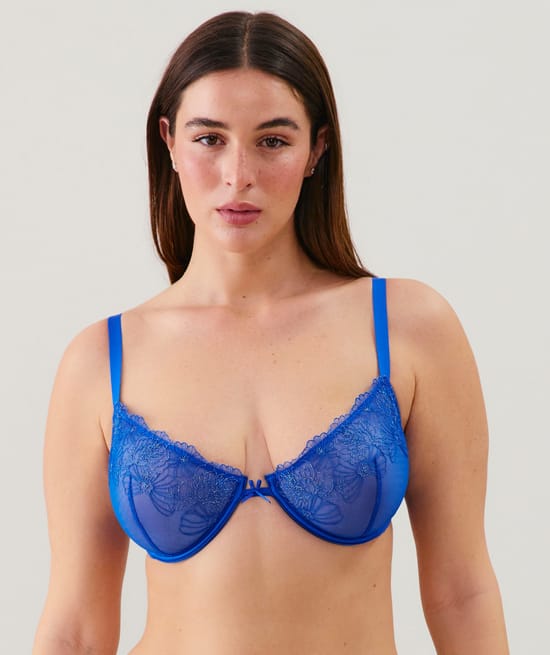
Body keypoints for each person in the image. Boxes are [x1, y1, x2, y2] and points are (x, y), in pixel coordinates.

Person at [32, 11, 509, 655]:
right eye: (209, 138)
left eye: (273, 141)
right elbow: (76, 631)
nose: (238, 175)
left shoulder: (409, 330)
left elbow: (461, 591)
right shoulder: (100, 361)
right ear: (169, 142)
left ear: (317, 149)